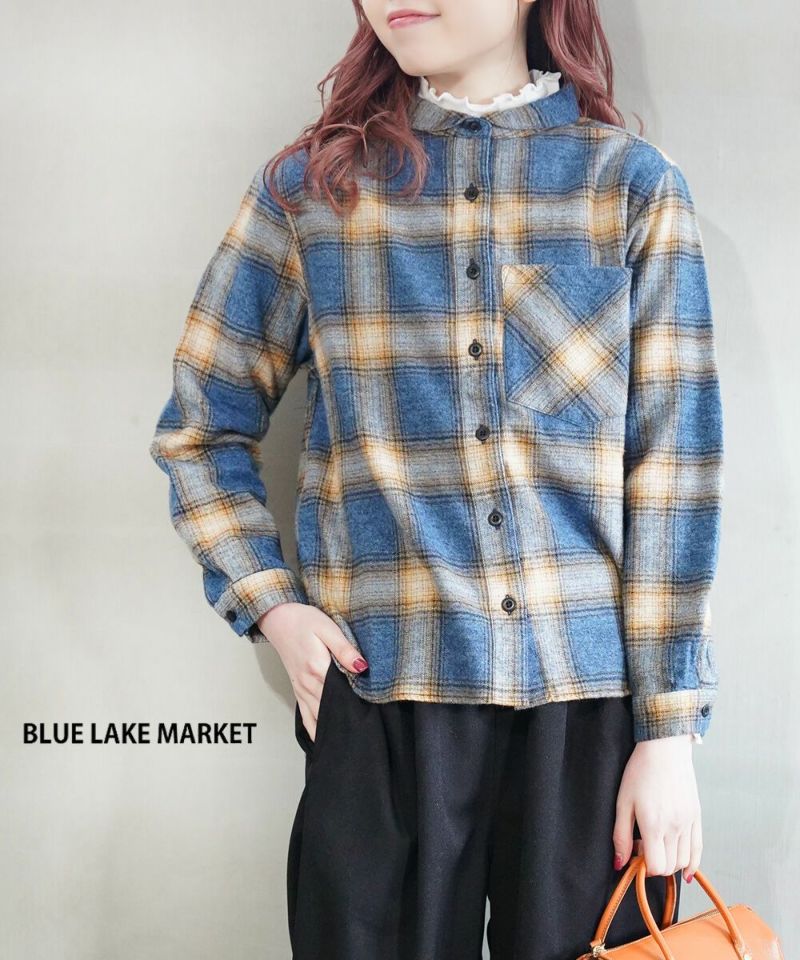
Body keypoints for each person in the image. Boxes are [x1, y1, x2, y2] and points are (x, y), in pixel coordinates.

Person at [149, 0, 724, 956]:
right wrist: (272, 606)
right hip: (379, 698)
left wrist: (669, 734)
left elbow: (673, 474)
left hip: (586, 712)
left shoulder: (628, 189)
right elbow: (200, 427)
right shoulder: (310, 194)